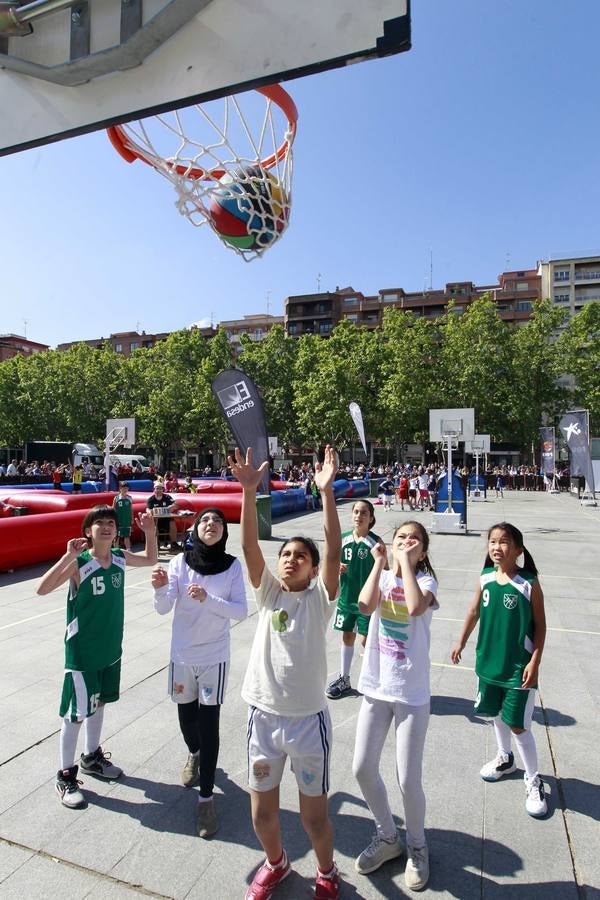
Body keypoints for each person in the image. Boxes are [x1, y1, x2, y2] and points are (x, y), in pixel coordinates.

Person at [229, 445, 342, 900]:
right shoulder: (269, 594)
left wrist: (328, 492)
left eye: (300, 556)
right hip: (264, 718)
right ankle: (276, 865)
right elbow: (248, 545)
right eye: (287, 554)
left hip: (307, 723)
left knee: (314, 818)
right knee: (261, 814)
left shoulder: (319, 599)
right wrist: (250, 491)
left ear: (313, 569)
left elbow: (334, 547)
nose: (291, 558)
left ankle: (328, 872)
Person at [36, 505, 157, 808]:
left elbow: (151, 559)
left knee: (99, 702)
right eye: (99, 523)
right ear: (87, 531)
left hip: (110, 648)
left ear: (117, 530)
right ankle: (64, 775)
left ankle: (91, 756)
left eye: (110, 523)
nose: (105, 527)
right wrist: (68, 557)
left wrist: (152, 533)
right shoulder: (81, 562)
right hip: (83, 653)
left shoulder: (117, 557)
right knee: (75, 714)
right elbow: (42, 588)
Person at [352, 521, 438, 891]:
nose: (404, 543)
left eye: (412, 540)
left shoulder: (428, 583)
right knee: (361, 768)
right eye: (399, 537)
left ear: (424, 551)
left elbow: (416, 606)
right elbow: (364, 603)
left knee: (407, 778)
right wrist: (379, 564)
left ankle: (417, 847)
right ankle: (389, 836)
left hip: (411, 692)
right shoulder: (384, 576)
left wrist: (403, 564)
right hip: (377, 685)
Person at [151, 508, 247, 837]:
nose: (211, 525)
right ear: (195, 527)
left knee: (209, 724)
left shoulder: (232, 566)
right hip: (182, 656)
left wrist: (209, 599)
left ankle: (205, 800)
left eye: (217, 521)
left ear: (224, 531)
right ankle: (194, 755)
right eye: (205, 520)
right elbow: (164, 607)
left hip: (214, 658)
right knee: (186, 719)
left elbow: (241, 611)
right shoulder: (180, 563)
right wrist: (160, 588)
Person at [451, 522, 547, 818]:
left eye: (504, 542)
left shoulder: (529, 582)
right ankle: (505, 759)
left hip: (518, 667)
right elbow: (474, 611)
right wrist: (461, 642)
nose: (496, 547)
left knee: (518, 724)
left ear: (518, 549)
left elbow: (541, 626)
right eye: (492, 541)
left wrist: (535, 660)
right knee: (494, 715)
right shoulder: (485, 577)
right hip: (489, 663)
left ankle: (534, 779)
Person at [326, 500, 384, 700]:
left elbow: (385, 572)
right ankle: (344, 678)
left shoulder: (376, 543)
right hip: (346, 599)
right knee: (347, 637)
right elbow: (329, 567)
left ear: (371, 518)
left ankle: (374, 679)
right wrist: (336, 568)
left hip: (367, 603)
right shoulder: (342, 540)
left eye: (364, 513)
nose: (359, 516)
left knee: (368, 642)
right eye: (356, 512)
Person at [146, 482, 180, 552]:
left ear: (162, 489)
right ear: (154, 490)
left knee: (172, 523)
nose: (158, 490)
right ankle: (157, 543)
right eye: (157, 488)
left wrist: (173, 506)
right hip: (156, 518)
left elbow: (176, 504)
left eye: (160, 488)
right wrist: (149, 512)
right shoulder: (151, 499)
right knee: (154, 524)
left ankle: (173, 543)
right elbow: (148, 509)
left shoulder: (167, 497)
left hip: (167, 518)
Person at [113, 481, 133, 550]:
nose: (125, 489)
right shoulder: (116, 498)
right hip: (119, 520)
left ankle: (129, 550)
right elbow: (114, 509)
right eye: (123, 488)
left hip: (127, 520)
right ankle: (115, 550)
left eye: (126, 488)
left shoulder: (129, 498)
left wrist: (132, 518)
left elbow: (131, 509)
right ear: (120, 488)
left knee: (127, 536)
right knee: (117, 536)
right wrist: (114, 519)